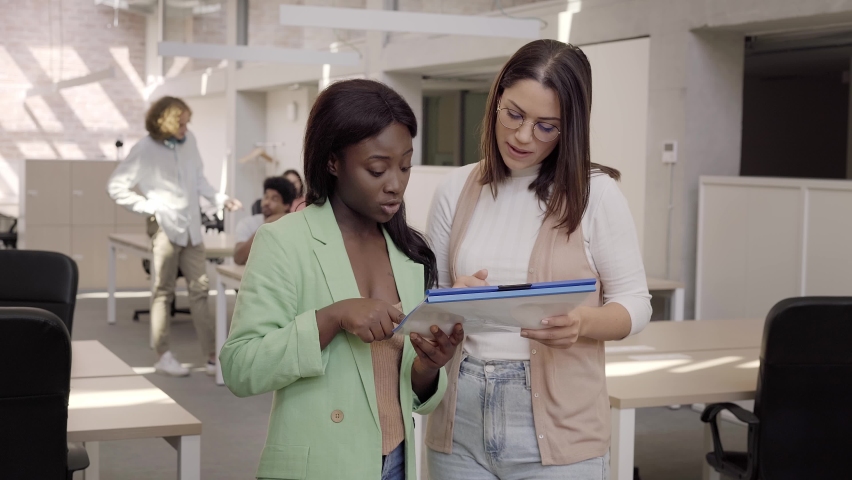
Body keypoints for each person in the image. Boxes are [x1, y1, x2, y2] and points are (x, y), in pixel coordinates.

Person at [425, 39, 652, 478]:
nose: (524, 136)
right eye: (514, 114)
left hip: (561, 426)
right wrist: (449, 297)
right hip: (461, 418)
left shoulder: (596, 194)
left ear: (571, 128)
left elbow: (636, 303)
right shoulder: (454, 190)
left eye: (547, 126)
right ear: (496, 101)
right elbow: (427, 297)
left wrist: (583, 324)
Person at [219, 79, 464, 480]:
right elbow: (240, 368)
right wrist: (330, 318)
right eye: (377, 169)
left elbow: (409, 396)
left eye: (405, 166)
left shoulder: (410, 253)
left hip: (396, 464)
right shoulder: (284, 241)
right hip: (319, 466)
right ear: (333, 162)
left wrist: (428, 366)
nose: (395, 184)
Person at [107, 96, 242, 378]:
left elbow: (199, 179)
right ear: (165, 122)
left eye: (187, 122)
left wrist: (220, 199)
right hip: (165, 228)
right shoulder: (145, 149)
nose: (186, 126)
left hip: (192, 228)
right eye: (181, 122)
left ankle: (211, 356)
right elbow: (116, 186)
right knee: (163, 292)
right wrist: (150, 206)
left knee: (200, 288)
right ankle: (163, 355)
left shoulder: (189, 141)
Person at [233, 176, 297, 265]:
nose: (267, 202)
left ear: (286, 205)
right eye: (266, 197)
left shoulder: (294, 227)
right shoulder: (247, 223)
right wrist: (265, 226)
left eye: (274, 199)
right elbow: (238, 258)